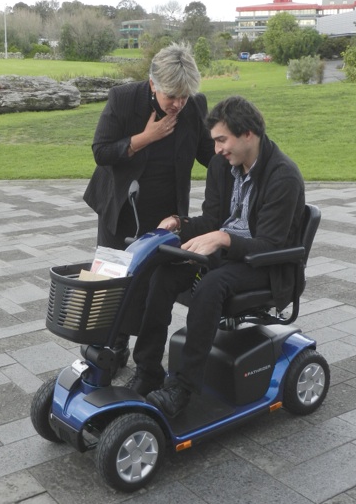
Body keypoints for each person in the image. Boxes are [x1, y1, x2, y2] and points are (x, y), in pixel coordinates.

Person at [126, 95, 306, 418]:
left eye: (222, 140)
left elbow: (269, 246)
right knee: (162, 273)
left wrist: (222, 239)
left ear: (248, 134)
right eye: (215, 141)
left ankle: (182, 388)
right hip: (227, 255)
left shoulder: (283, 177)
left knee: (211, 285)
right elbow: (211, 222)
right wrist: (179, 224)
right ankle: (148, 369)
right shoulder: (222, 166)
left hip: (265, 266)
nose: (217, 149)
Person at [83, 42, 215, 373]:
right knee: (112, 280)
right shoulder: (123, 99)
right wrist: (147, 136)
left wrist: (238, 161)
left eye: (184, 96)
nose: (178, 103)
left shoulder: (193, 105)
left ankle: (146, 356)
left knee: (152, 284)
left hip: (165, 213)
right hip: (123, 206)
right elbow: (101, 151)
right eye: (172, 96)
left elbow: (206, 154)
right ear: (153, 83)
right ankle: (110, 347)